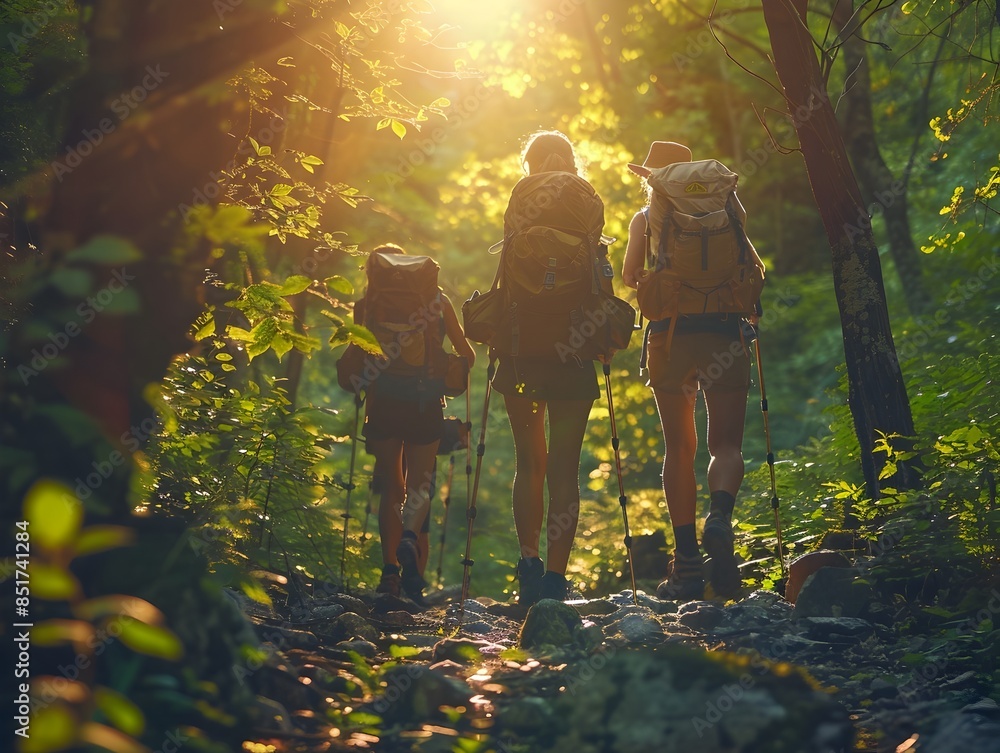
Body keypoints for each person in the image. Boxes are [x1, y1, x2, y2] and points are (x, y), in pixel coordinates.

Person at [621, 141, 755, 600]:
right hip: (725, 332)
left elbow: (628, 274)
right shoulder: (728, 208)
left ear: (654, 179)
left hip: (671, 336)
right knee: (726, 444)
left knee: (680, 447)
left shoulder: (645, 218)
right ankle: (719, 518)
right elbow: (750, 266)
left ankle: (688, 563)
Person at [492, 130, 602, 605]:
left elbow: (505, 281)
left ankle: (529, 563)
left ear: (529, 165)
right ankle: (557, 579)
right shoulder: (586, 205)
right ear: (571, 164)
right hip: (573, 354)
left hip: (522, 351)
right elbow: (601, 277)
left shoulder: (521, 203)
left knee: (529, 463)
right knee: (564, 467)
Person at [361, 243, 476, 604]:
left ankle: (390, 574)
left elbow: (356, 352)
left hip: (382, 405)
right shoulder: (438, 301)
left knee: (390, 489)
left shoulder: (367, 303)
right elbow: (467, 355)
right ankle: (411, 538)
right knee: (419, 486)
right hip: (424, 404)